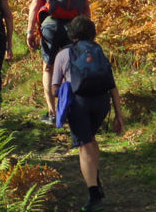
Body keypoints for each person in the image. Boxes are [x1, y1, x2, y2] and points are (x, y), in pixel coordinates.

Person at [51, 16, 124, 212]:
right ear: (93, 33)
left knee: (84, 146)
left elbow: (54, 88)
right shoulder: (98, 52)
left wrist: (61, 95)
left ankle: (93, 194)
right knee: (90, 139)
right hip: (102, 103)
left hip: (79, 104)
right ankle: (96, 180)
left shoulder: (64, 54)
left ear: (71, 34)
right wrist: (119, 115)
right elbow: (112, 86)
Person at [27, 0, 91, 125]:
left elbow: (35, 5)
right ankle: (74, 110)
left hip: (50, 26)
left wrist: (30, 30)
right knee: (72, 68)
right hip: (74, 26)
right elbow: (86, 4)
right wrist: (88, 30)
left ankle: (52, 112)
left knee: (48, 67)